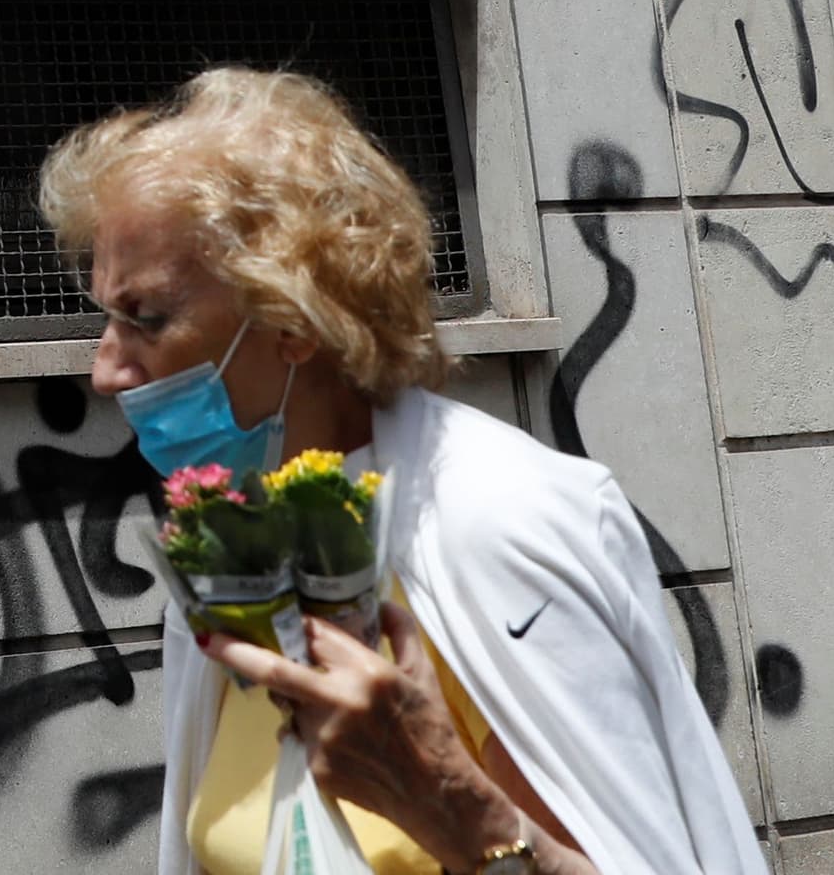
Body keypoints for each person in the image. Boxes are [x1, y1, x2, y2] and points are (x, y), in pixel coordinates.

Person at [41, 69, 765, 875]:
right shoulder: (233, 548)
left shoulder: (497, 522)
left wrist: (452, 806)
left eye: (146, 317)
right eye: (107, 315)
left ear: (291, 319)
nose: (107, 370)